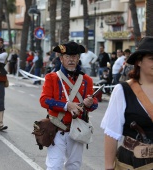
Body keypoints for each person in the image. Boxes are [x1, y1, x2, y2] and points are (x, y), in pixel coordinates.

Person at [40, 41, 98, 170]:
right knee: (54, 166)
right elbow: (44, 100)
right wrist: (67, 105)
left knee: (74, 166)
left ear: (78, 58)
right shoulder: (52, 77)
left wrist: (90, 103)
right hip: (56, 129)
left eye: (74, 57)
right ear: (61, 59)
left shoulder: (87, 80)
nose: (71, 60)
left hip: (77, 130)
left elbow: (94, 104)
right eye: (67, 57)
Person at [101, 36, 153, 170]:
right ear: (139, 62)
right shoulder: (123, 91)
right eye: (152, 59)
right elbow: (111, 132)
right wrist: (108, 167)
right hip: (132, 162)